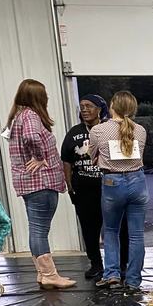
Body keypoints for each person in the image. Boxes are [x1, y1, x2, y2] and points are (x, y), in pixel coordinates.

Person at [5, 79, 75, 289]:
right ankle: (49, 275)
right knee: (39, 230)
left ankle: (43, 274)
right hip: (41, 182)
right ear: (37, 97)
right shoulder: (31, 116)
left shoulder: (18, 116)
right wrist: (40, 156)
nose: (47, 98)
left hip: (29, 184)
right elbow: (31, 138)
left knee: (36, 229)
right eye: (44, 95)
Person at [89, 91, 148, 296]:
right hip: (137, 180)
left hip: (112, 181)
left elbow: (92, 154)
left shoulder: (98, 130)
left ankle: (112, 274)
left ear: (112, 106)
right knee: (136, 234)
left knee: (111, 230)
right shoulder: (140, 130)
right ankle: (133, 281)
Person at [60, 94, 108, 280]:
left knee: (112, 228)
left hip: (107, 187)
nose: (85, 109)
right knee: (89, 229)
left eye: (89, 106)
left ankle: (117, 265)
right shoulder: (74, 132)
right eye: (82, 106)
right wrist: (70, 186)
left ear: (99, 109)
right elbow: (66, 160)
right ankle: (96, 264)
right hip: (84, 189)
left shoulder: (108, 129)